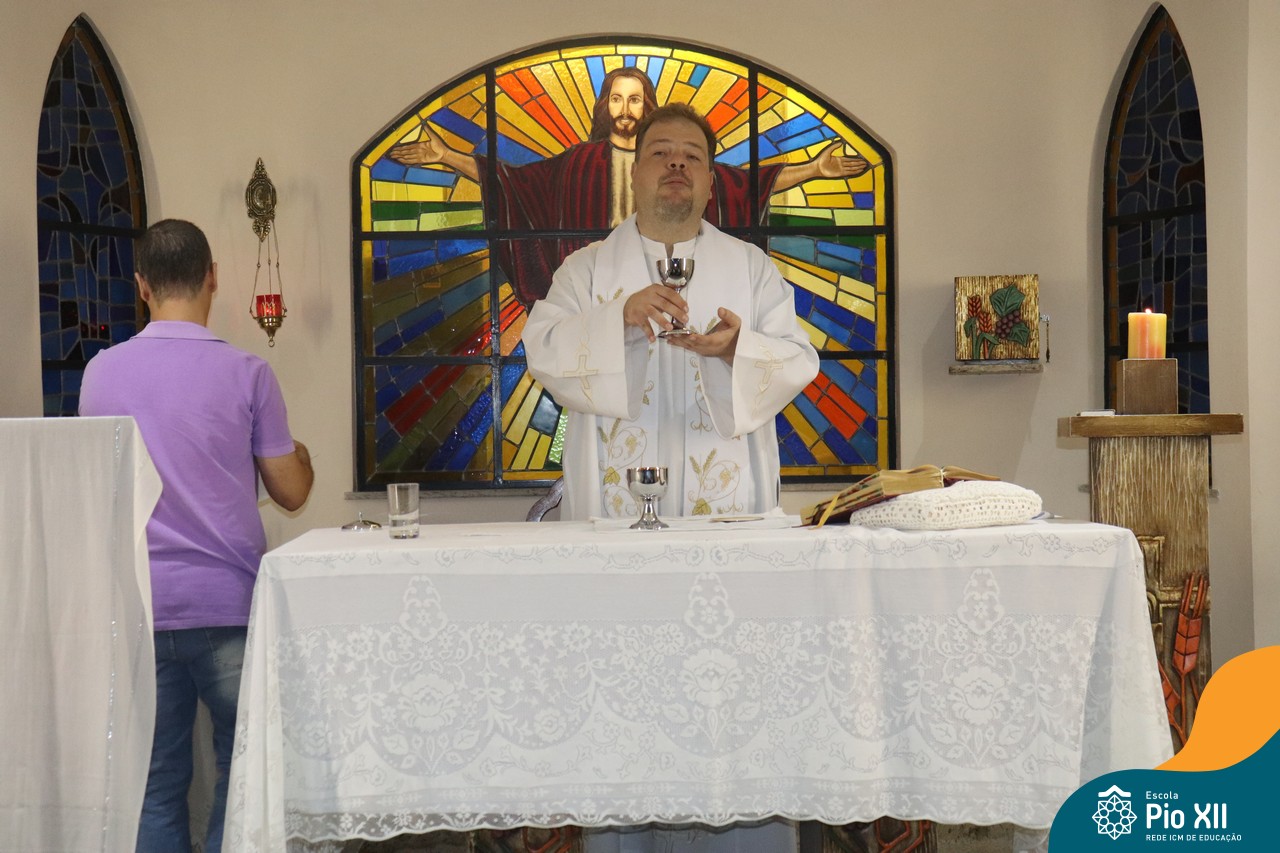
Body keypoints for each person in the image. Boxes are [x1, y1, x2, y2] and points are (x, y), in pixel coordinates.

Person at [521, 101, 818, 853]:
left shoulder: (750, 269)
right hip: (616, 542)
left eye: (692, 154)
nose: (677, 164)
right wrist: (619, 318)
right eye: (661, 152)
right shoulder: (588, 271)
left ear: (712, 181)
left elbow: (798, 359)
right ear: (636, 174)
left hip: (730, 545)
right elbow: (544, 350)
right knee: (624, 716)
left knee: (734, 715)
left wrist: (737, 350)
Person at [79, 219, 314, 853]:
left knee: (156, 785)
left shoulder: (100, 374)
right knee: (243, 781)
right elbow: (292, 492)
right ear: (212, 277)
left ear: (141, 285)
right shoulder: (248, 372)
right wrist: (299, 455)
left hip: (141, 606)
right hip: (227, 606)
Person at [388, 66, 868, 306]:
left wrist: (814, 169)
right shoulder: (578, 178)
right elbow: (510, 185)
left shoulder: (743, 268)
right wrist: (446, 157)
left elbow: (749, 184)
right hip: (603, 292)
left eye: (636, 100)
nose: (625, 109)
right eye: (616, 99)